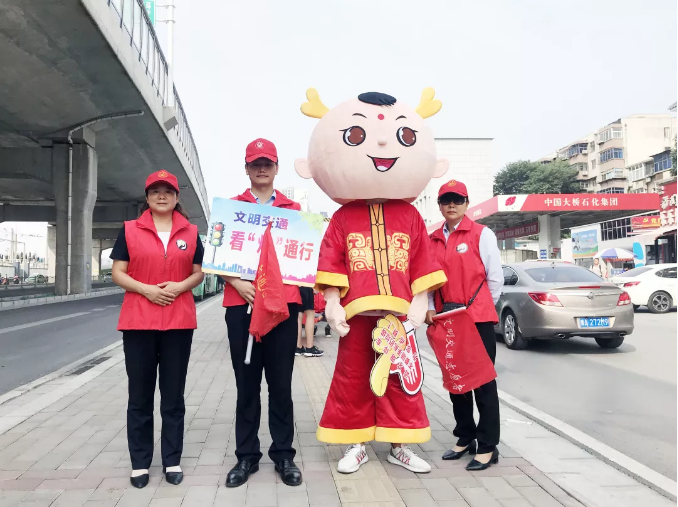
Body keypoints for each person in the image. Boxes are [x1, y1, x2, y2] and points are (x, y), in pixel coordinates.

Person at [295, 88, 448, 474]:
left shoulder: (410, 215)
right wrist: (331, 303)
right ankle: (357, 443)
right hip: (356, 312)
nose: (382, 144)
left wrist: (420, 302)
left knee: (400, 379)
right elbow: (332, 260)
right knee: (352, 377)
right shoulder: (343, 217)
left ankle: (401, 443)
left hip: (399, 314)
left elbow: (422, 261)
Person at [110, 170, 204, 488]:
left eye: (168, 190)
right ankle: (140, 463)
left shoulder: (191, 232)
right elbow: (118, 272)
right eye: (155, 191)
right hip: (138, 322)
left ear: (177, 198)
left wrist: (179, 287)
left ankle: (172, 460)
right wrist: (145, 290)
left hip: (178, 322)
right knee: (139, 396)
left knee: (173, 396)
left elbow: (199, 272)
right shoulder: (130, 230)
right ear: (147, 197)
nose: (161, 195)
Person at [222, 138, 303, 488]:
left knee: (281, 385)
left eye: (267, 163)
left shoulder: (293, 209)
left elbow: (302, 260)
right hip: (241, 306)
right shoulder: (231, 208)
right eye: (255, 163)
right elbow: (215, 256)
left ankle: (284, 454)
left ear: (276, 167)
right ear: (246, 168)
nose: (261, 168)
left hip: (282, 308)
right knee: (247, 384)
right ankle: (246, 456)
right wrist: (237, 282)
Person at [426, 179, 503, 471]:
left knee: (482, 383)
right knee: (456, 382)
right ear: (440, 205)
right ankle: (465, 436)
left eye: (457, 200)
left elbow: (494, 279)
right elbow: (428, 282)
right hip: (446, 319)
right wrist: (432, 309)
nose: (452, 205)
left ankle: (487, 446)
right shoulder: (433, 238)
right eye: (446, 200)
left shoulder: (482, 234)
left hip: (476, 319)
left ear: (467, 203)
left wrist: (480, 307)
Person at [296, 287, 325, 356]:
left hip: (295, 286)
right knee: (310, 315)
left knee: (299, 315)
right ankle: (309, 347)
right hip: (306, 285)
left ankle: (297, 347)